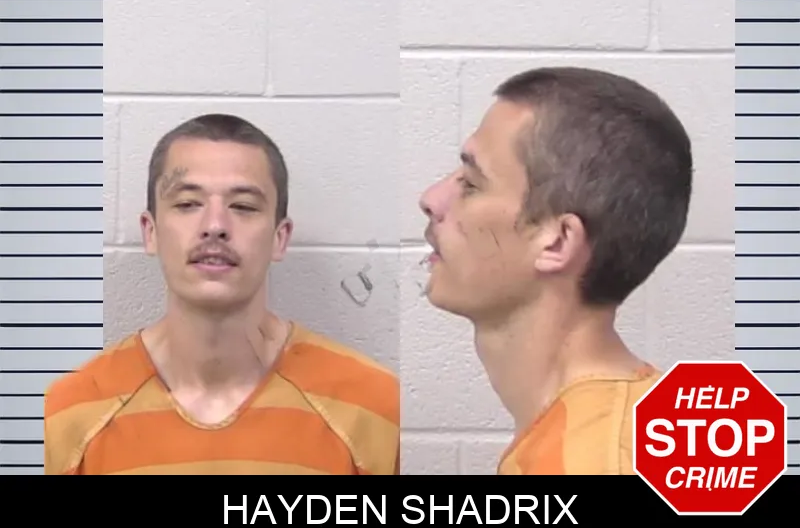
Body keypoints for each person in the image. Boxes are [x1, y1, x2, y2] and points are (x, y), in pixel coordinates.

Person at [43, 114, 400, 475]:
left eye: (243, 206)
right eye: (187, 204)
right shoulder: (67, 414)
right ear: (151, 232)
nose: (214, 226)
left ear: (280, 238)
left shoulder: (373, 408)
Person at [418, 67, 692, 475]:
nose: (431, 199)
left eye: (472, 184)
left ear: (557, 242)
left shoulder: (594, 462)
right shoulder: (623, 433)